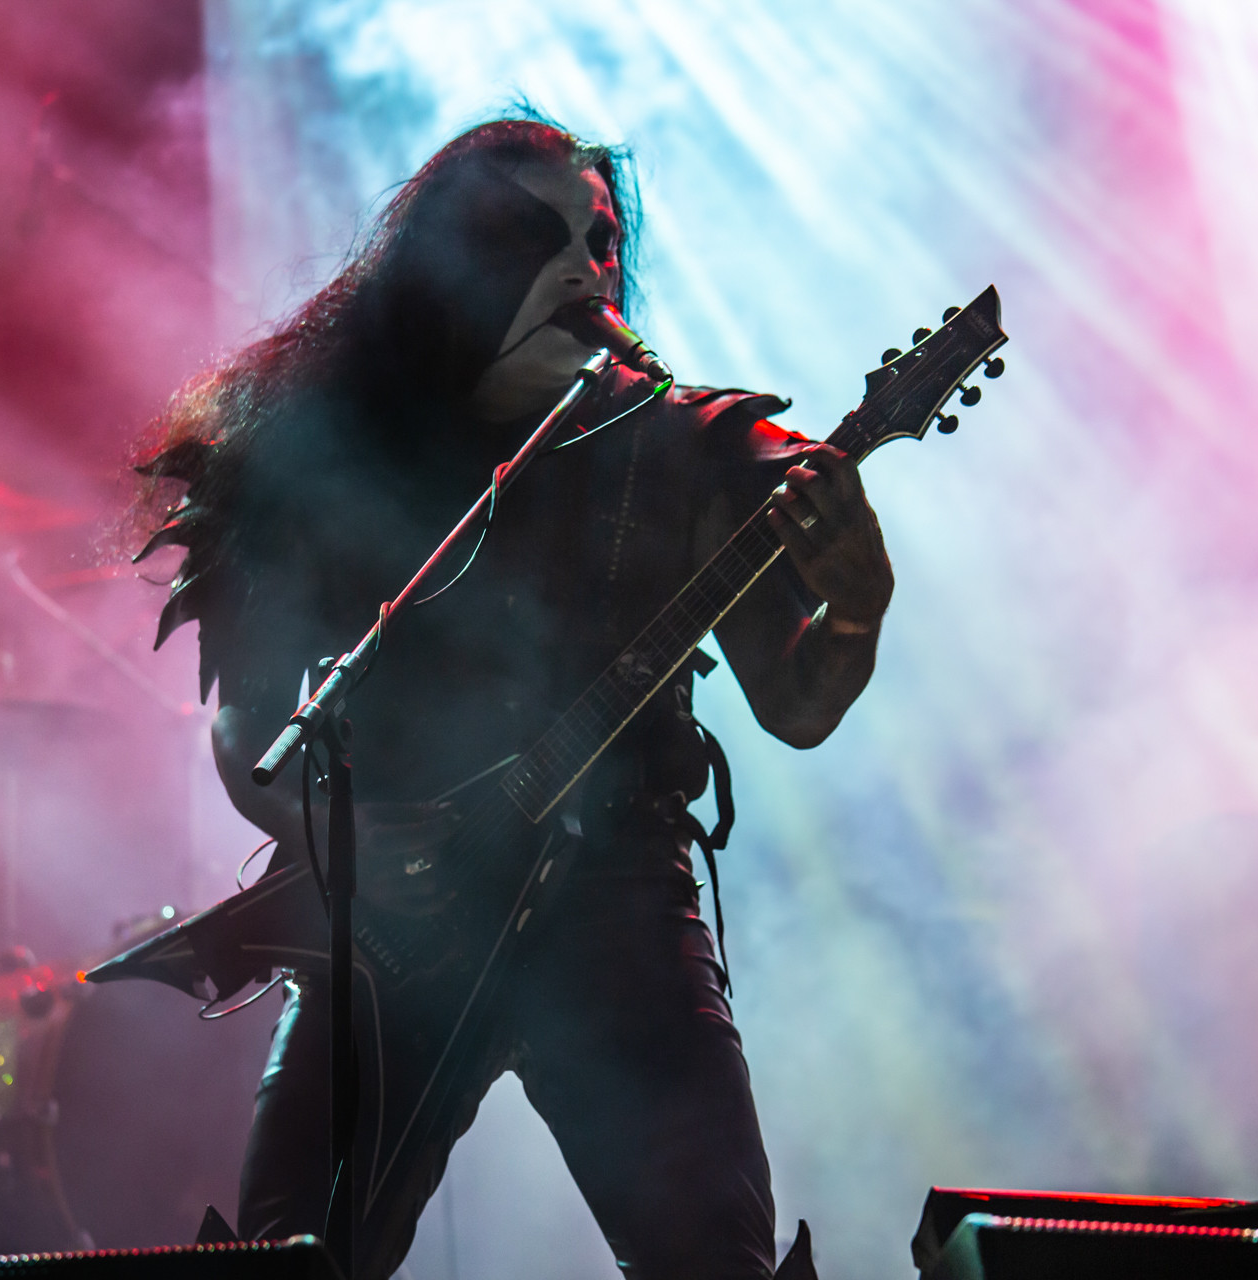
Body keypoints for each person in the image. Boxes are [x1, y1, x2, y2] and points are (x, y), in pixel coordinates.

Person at [132, 116, 892, 1280]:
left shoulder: (686, 443)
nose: (588, 263)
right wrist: (349, 839)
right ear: (447, 264)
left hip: (618, 897)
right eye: (536, 236)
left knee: (714, 1258)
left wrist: (854, 609)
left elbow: (796, 701)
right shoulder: (310, 449)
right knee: (293, 1253)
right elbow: (252, 735)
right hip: (391, 926)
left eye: (602, 238)